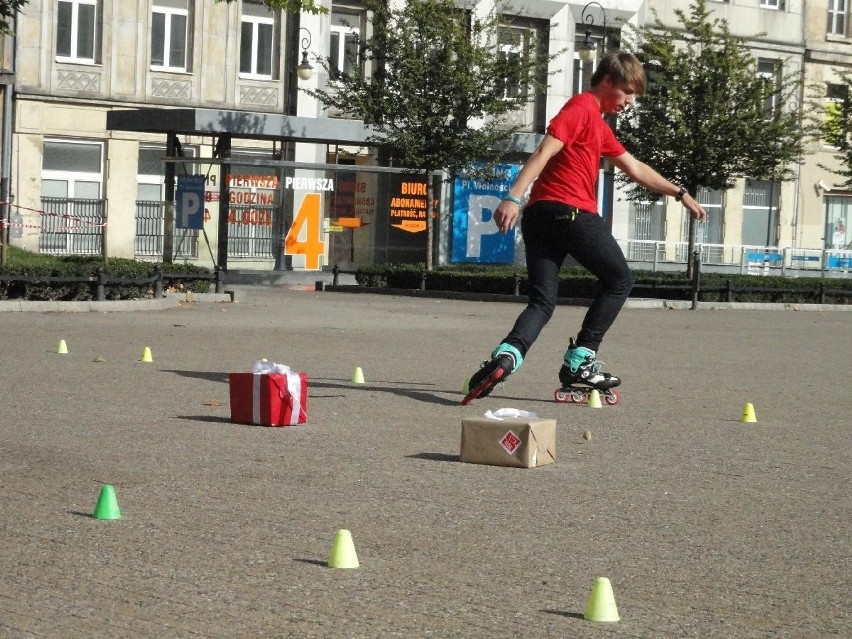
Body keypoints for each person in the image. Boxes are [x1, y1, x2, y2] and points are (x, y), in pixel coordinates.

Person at [462, 51, 707, 405]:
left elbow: (634, 167)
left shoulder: (598, 124)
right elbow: (543, 152)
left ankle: (506, 356)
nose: (630, 102)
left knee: (543, 301)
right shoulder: (580, 108)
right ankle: (580, 360)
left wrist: (679, 192)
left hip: (540, 216)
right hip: (570, 212)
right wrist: (512, 196)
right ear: (606, 82)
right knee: (620, 279)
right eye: (627, 93)